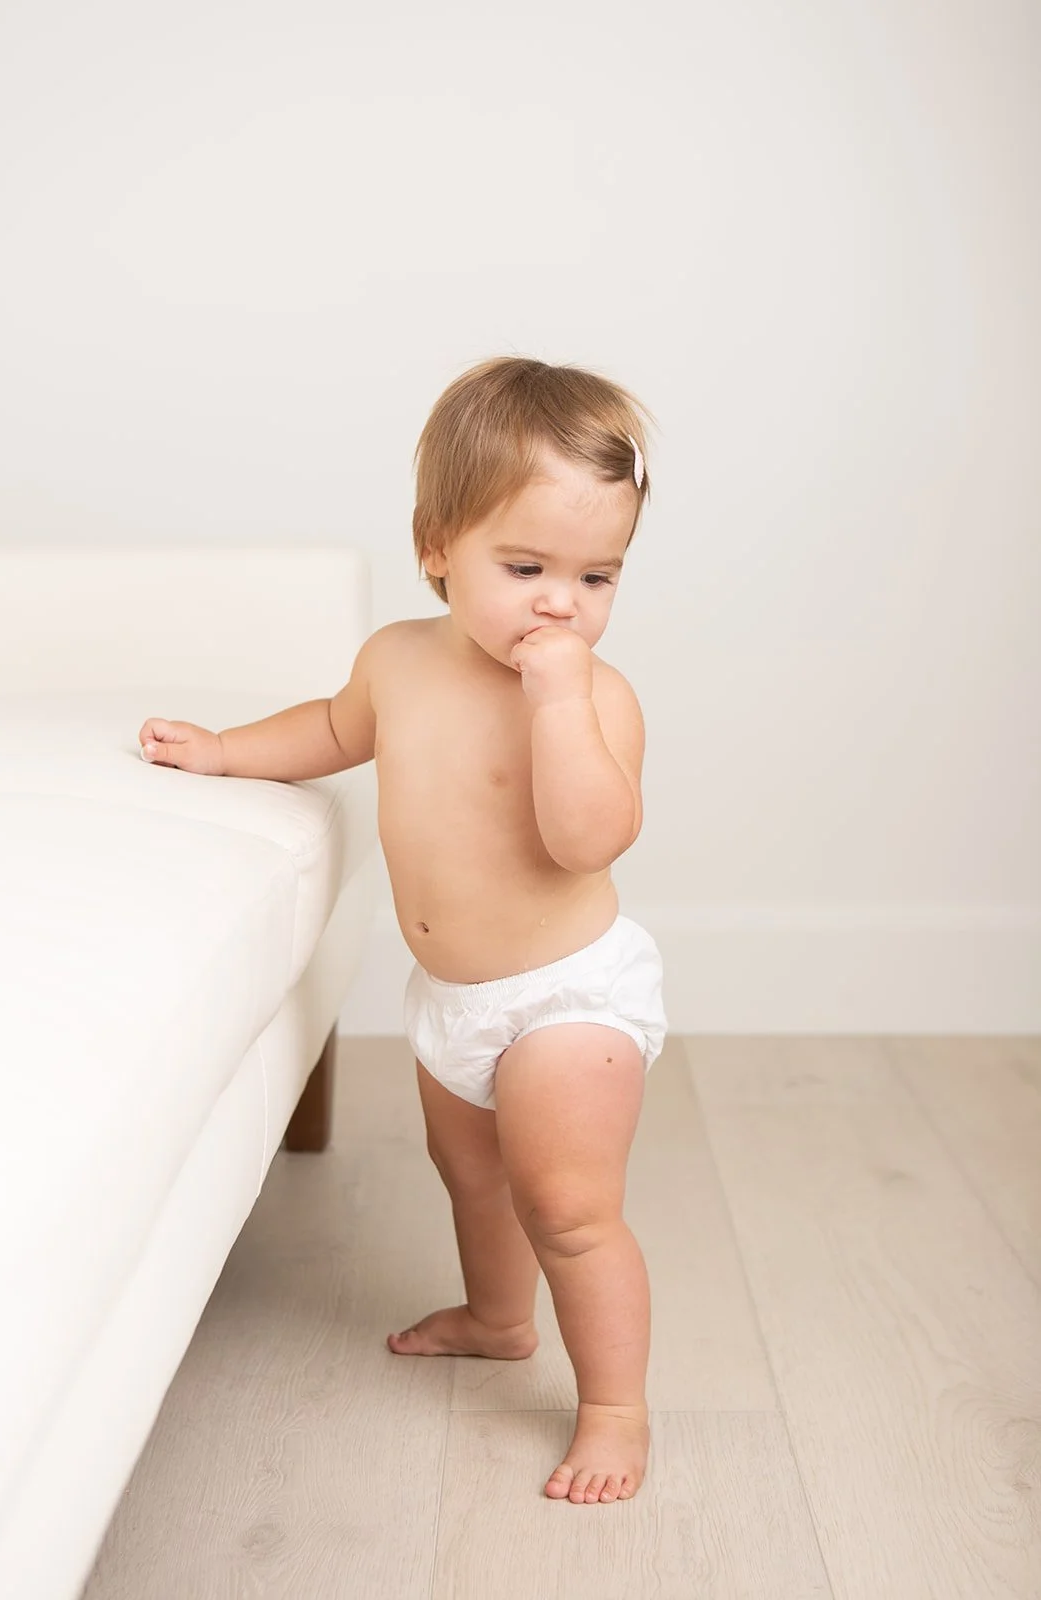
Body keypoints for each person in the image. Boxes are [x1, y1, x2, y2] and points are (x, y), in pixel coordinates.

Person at [137, 356, 667, 1505]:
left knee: (566, 1209)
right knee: (469, 1177)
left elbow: (587, 839)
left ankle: (614, 1409)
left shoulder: (595, 697)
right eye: (523, 566)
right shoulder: (396, 660)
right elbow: (332, 728)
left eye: (595, 575)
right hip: (452, 1003)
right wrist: (226, 750)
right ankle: (493, 1315)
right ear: (436, 546)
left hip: (566, 998)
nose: (558, 603)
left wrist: (559, 704)